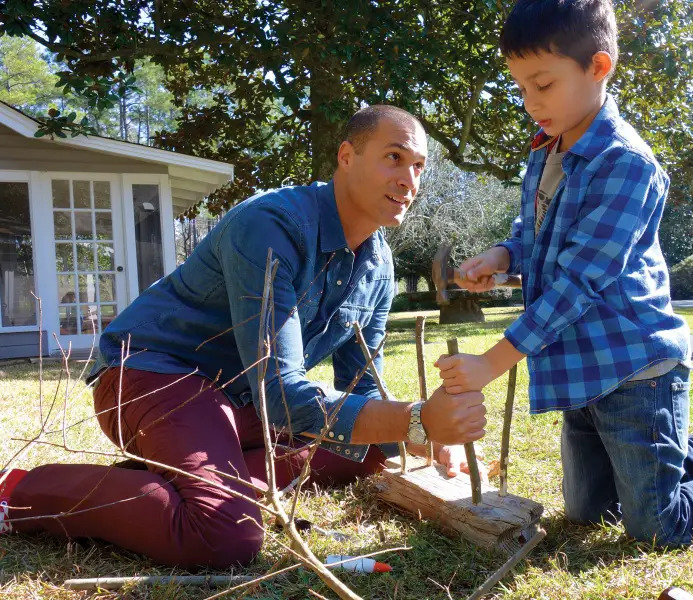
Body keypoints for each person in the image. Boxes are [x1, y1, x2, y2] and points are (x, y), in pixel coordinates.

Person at [0, 105, 487, 567]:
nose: (409, 180)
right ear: (346, 156)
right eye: (394, 158)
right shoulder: (271, 225)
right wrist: (418, 420)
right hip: (153, 376)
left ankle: (194, 476)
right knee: (224, 536)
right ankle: (18, 491)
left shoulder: (379, 265)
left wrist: (420, 439)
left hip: (238, 401)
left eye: (419, 166)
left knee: (372, 453)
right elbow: (280, 394)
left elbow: (362, 389)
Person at [436, 0, 693, 546]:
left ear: (598, 67)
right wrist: (503, 256)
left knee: (657, 526)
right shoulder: (547, 150)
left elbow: (578, 282)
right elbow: (533, 232)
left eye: (543, 84)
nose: (530, 102)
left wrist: (492, 362)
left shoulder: (626, 163)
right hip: (583, 371)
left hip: (634, 366)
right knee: (588, 513)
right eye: (520, 88)